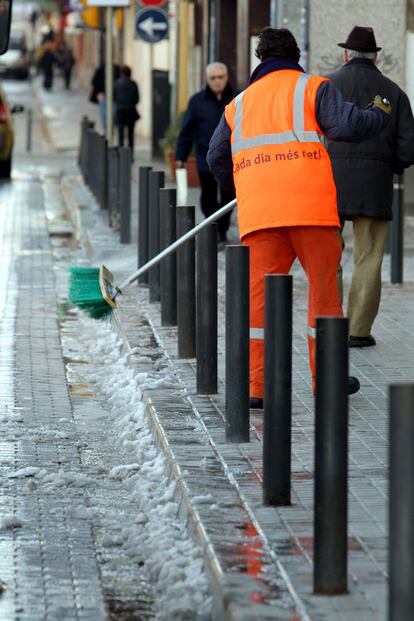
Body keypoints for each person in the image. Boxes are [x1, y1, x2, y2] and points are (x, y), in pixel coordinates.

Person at [207, 27, 391, 407]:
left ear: (260, 58)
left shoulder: (239, 104)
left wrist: (244, 184)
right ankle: (326, 381)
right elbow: (347, 126)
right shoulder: (312, 88)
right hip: (311, 212)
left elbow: (215, 158)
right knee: (323, 296)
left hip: (261, 215)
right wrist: (378, 113)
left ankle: (256, 387)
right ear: (296, 55)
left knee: (258, 300)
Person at [328, 26, 414, 348]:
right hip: (375, 185)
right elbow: (408, 148)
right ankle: (358, 331)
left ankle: (330, 323)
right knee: (369, 257)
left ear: (345, 54)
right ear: (376, 56)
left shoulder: (327, 86)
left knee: (328, 256)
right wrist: (389, 167)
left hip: (330, 183)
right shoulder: (393, 92)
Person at [175, 62, 238, 247]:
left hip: (231, 159)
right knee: (208, 198)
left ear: (227, 77)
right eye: (213, 78)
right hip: (205, 158)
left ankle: (222, 231)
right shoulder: (197, 101)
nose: (217, 81)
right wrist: (181, 157)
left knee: (228, 198)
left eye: (221, 77)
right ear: (207, 79)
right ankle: (213, 229)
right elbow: (187, 130)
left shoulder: (239, 98)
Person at [114, 65, 140, 156]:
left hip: (120, 111)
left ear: (122, 73)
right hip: (131, 111)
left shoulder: (117, 83)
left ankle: (120, 153)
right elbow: (137, 99)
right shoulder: (133, 84)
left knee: (120, 134)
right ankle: (131, 153)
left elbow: (113, 97)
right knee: (130, 134)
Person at [90, 63, 121, 131]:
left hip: (114, 96)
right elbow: (94, 81)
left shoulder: (117, 69)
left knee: (113, 114)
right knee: (103, 115)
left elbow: (119, 81)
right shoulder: (101, 69)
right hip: (103, 96)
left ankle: (111, 130)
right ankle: (106, 130)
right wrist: (98, 93)